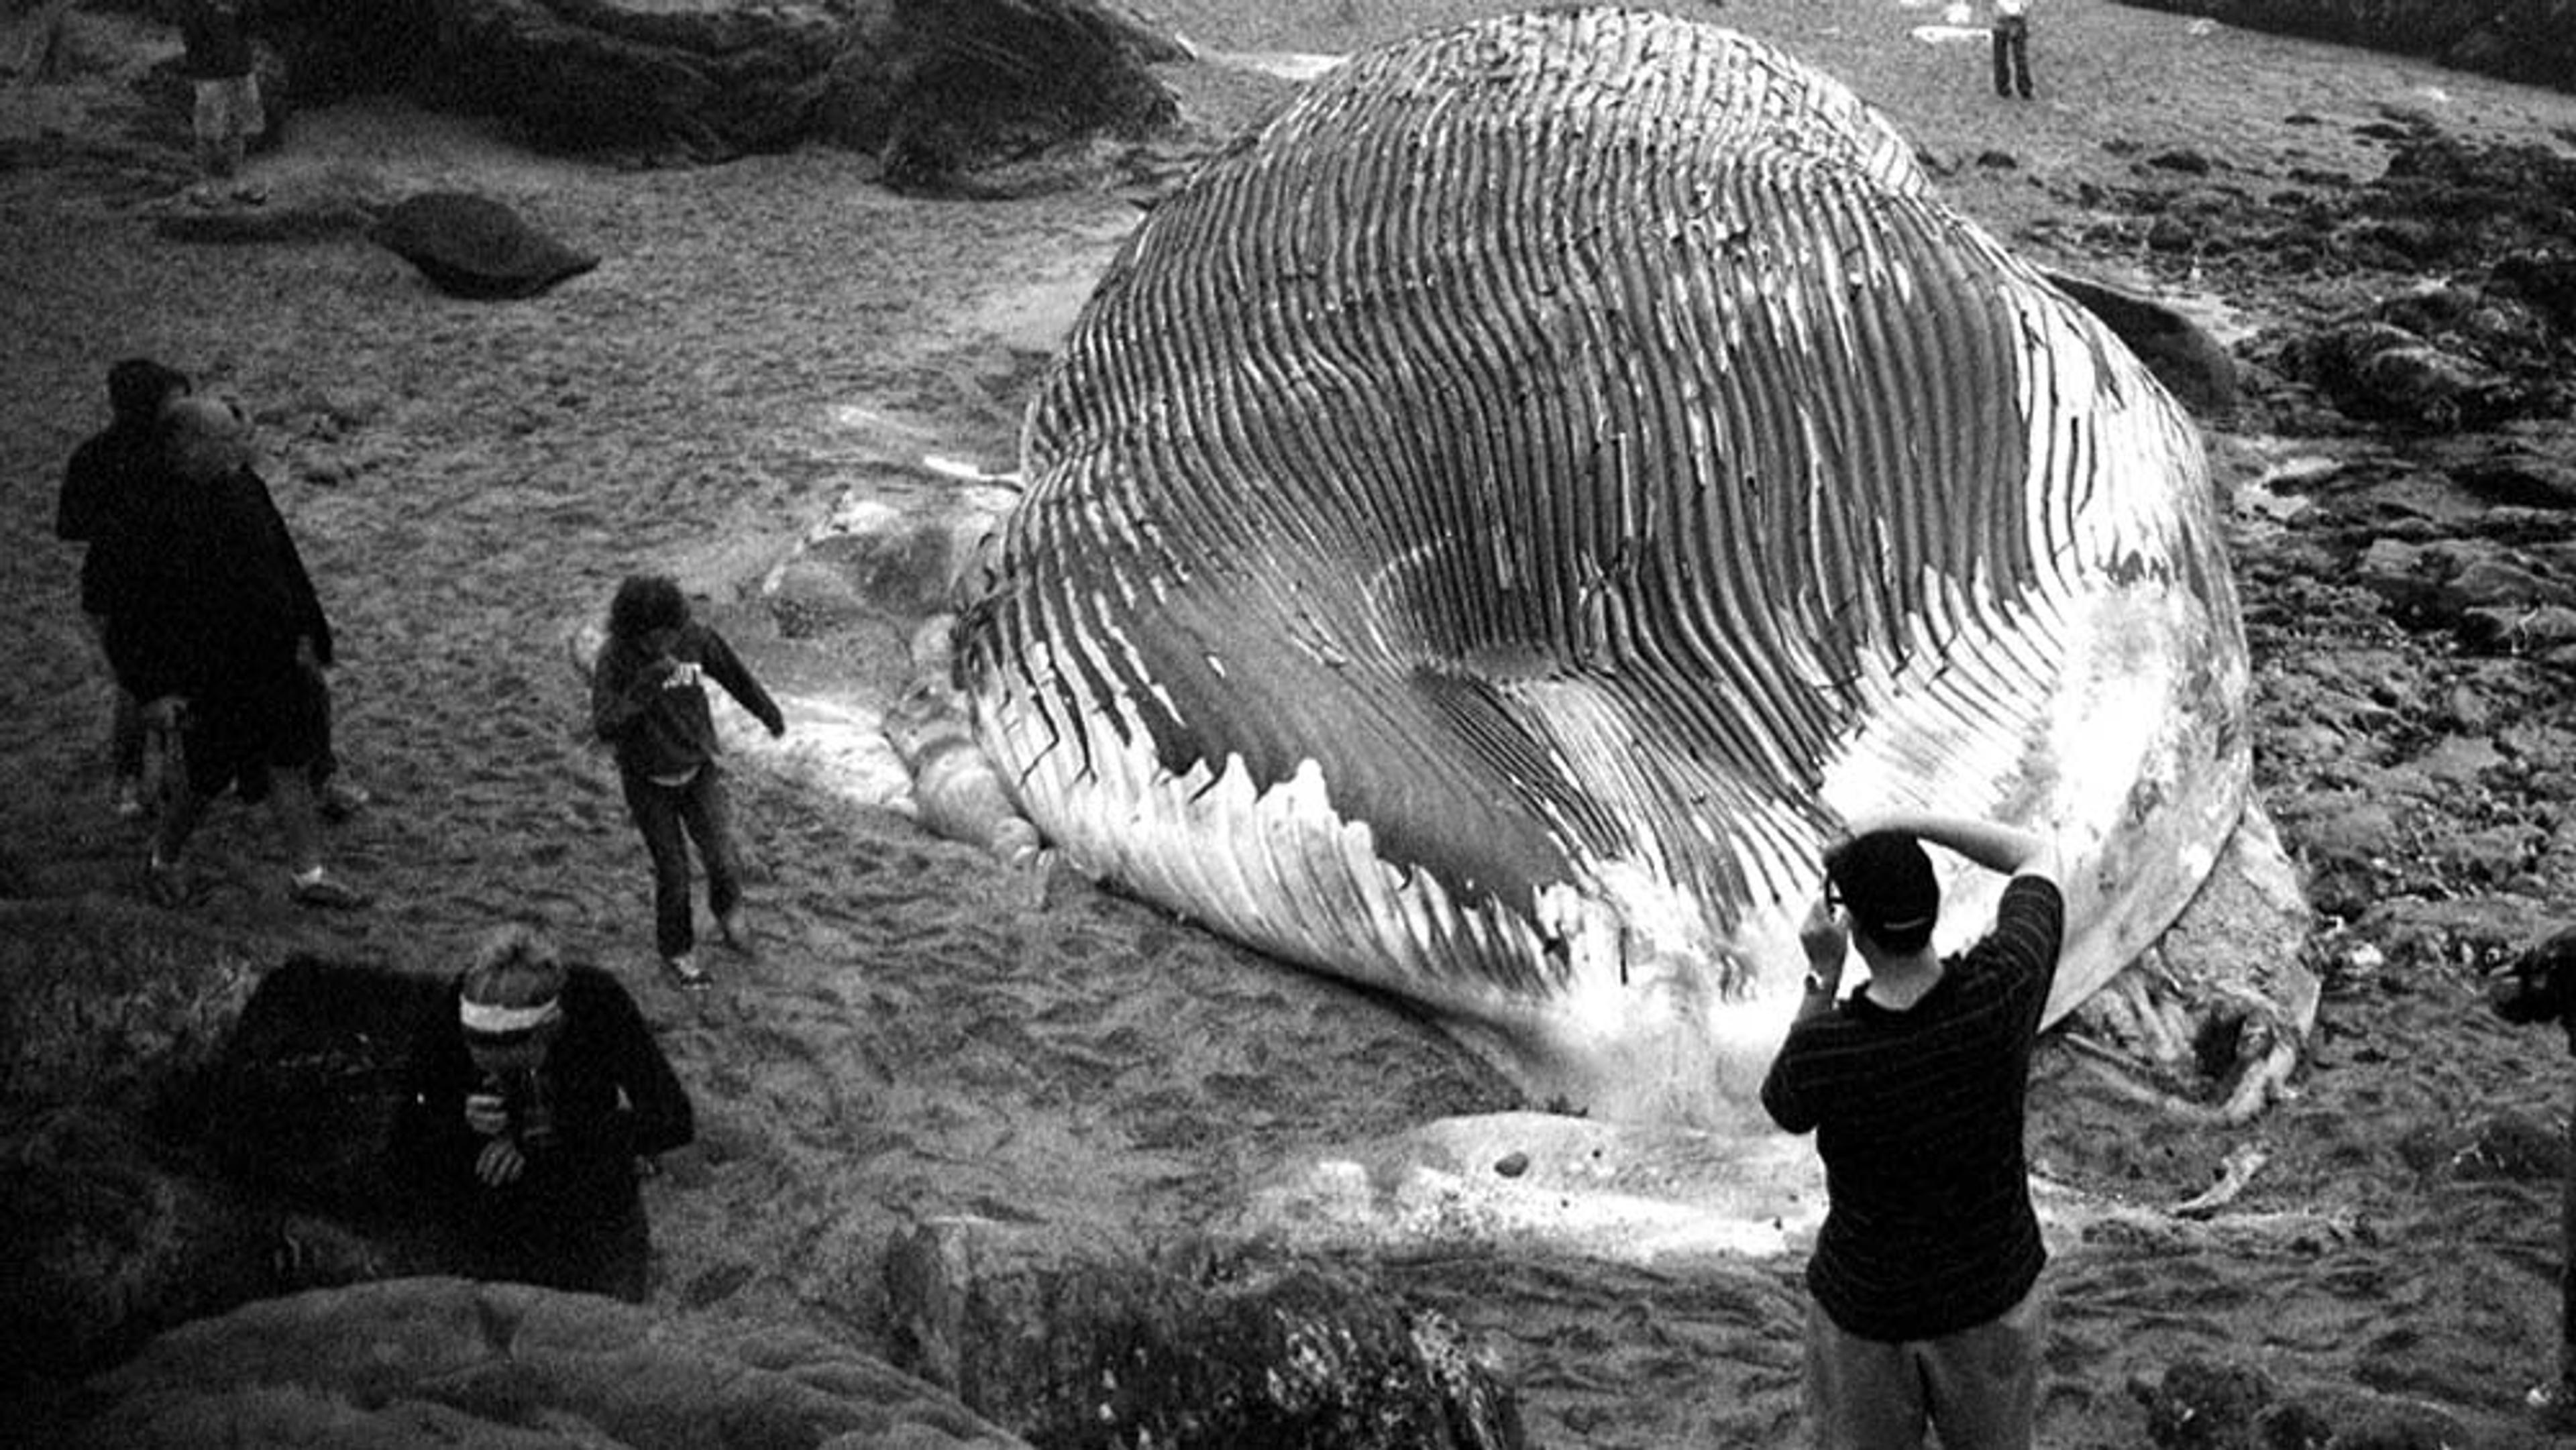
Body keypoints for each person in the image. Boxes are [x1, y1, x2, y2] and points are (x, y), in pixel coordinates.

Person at [1761, 812, 2065, 1450]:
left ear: (1852, 928)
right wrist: (1900, 822)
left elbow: (1785, 1105)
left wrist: (1822, 977)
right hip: (1991, 1294)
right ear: (1933, 906)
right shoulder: (2003, 991)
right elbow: (2035, 854)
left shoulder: (1828, 1050)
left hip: (1867, 1312)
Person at [83, 393, 367, 909]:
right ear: (186, 446)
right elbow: (127, 614)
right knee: (204, 778)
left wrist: (312, 633)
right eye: (225, 439)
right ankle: (163, 860)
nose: (238, 448)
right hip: (209, 670)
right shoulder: (151, 512)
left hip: (273, 657)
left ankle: (308, 876)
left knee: (289, 762)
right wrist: (151, 691)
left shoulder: (244, 486)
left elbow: (285, 562)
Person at [391, 924, 696, 1302]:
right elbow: (409, 1120)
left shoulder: (598, 1001)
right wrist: (457, 1112)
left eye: (515, 1068)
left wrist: (544, 1135)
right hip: (489, 1208)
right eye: (488, 1070)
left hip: (589, 1204)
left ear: (552, 1031)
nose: (501, 1079)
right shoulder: (455, 1006)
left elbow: (673, 1119)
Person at [590, 573, 786, 989]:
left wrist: (768, 713)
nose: (666, 644)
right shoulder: (615, 658)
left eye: (671, 633)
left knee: (722, 855)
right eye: (656, 638)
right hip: (647, 781)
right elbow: (605, 723)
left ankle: (728, 913)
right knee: (674, 873)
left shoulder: (694, 638)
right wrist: (646, 686)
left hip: (698, 768)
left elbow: (735, 675)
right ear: (634, 632)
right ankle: (677, 950)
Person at [59, 358, 193, 819]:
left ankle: (138, 780)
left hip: (123, 584)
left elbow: (69, 526)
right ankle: (133, 778)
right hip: (128, 589)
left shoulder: (91, 454)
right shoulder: (164, 455)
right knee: (139, 688)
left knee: (141, 685)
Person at [177, 0, 266, 205]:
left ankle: (239, 185)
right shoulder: (195, 6)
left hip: (240, 69)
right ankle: (204, 187)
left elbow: (253, 24)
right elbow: (191, 35)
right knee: (207, 133)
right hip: (210, 75)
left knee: (238, 129)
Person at [1991, 0, 2034, 101]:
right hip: (2001, 15)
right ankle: (2003, 88)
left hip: (2018, 16)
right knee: (2001, 56)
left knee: (2020, 56)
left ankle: (2024, 88)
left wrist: (2024, 9)